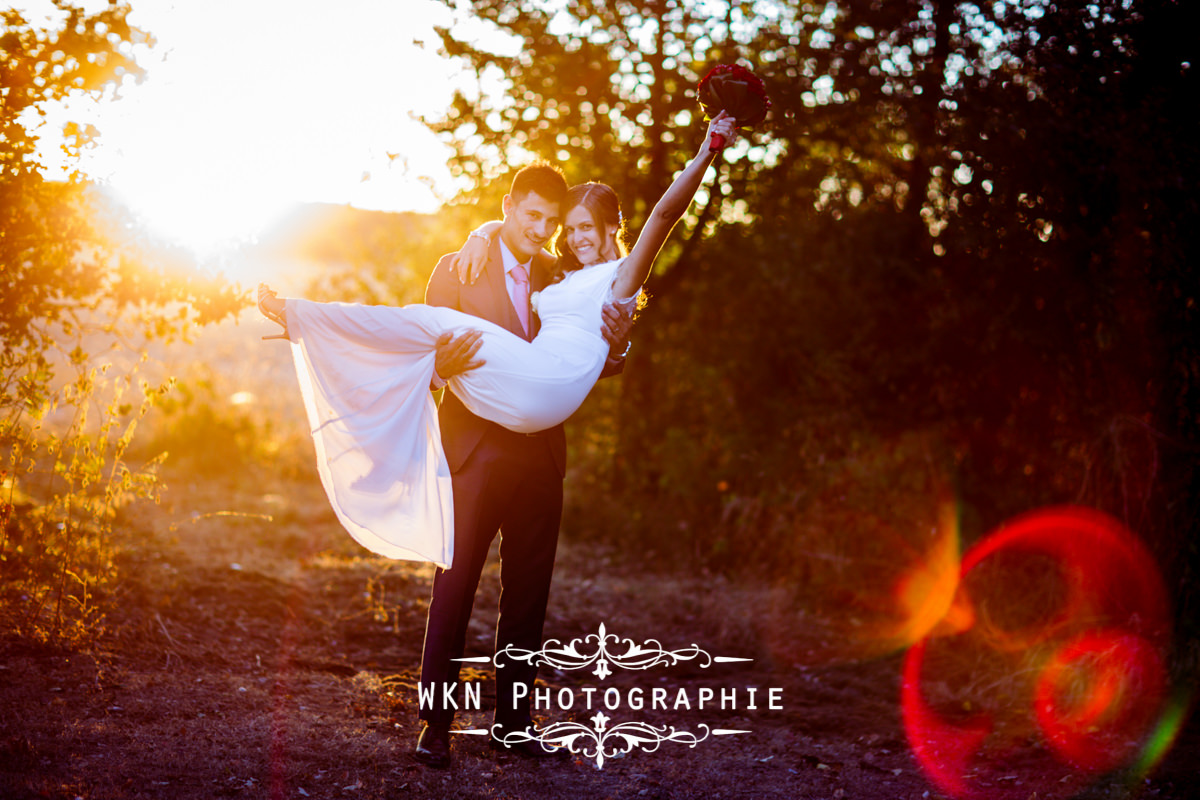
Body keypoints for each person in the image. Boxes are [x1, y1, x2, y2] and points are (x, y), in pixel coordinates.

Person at [256, 110, 738, 766]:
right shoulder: (459, 267)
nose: (545, 233)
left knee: (528, 597)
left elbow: (597, 336)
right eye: (533, 219)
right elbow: (420, 354)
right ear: (509, 209)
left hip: (539, 452)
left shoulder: (556, 274)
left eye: (556, 224)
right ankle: (435, 726)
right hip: (474, 451)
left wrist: (621, 345)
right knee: (454, 588)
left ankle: (514, 725)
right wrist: (440, 362)